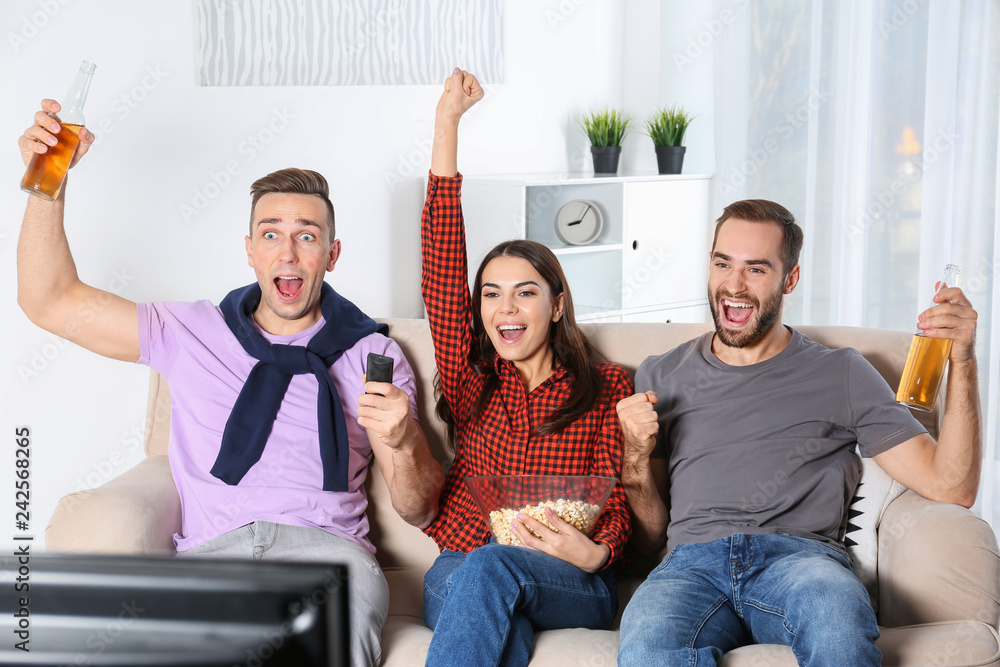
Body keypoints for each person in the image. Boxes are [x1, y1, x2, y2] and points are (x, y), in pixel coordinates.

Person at [16, 99, 445, 667]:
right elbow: (49, 301)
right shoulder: (191, 330)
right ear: (250, 251)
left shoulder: (374, 354)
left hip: (329, 558)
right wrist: (49, 183)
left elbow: (417, 510)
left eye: (307, 236)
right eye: (270, 234)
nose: (287, 252)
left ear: (332, 254)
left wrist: (401, 438)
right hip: (212, 555)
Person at [615, 198, 981, 665]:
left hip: (800, 562)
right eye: (723, 263)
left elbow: (952, 485)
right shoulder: (660, 374)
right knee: (648, 647)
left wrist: (963, 361)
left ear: (790, 279)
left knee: (838, 626)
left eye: (757, 269)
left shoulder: (842, 372)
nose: (734, 285)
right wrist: (634, 456)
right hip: (690, 567)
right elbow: (649, 538)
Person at [417, 69, 634, 667]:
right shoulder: (472, 378)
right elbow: (441, 268)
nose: (505, 308)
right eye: (489, 293)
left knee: (491, 573)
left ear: (557, 303)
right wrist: (447, 124)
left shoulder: (608, 387)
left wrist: (600, 553)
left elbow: (620, 497)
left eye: (524, 293)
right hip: (463, 563)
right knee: (483, 591)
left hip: (570, 577)